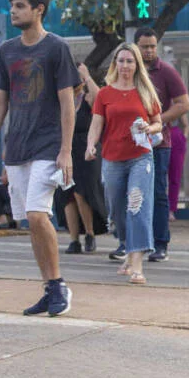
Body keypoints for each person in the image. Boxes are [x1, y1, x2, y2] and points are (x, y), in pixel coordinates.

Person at [0, 0, 80, 317]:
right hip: (17, 147)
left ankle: (59, 287)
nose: (13, 11)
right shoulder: (6, 50)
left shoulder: (56, 48)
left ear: (39, 9)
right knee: (29, 222)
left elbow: (68, 103)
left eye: (20, 6)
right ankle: (49, 287)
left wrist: (66, 150)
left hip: (48, 146)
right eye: (12, 6)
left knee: (39, 213)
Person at [86, 44, 163, 284]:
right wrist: (91, 145)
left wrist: (150, 128)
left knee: (137, 205)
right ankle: (128, 250)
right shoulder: (105, 94)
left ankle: (138, 264)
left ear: (137, 65)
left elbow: (158, 122)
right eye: (121, 61)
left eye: (130, 61)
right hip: (112, 158)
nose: (125, 66)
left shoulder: (145, 92)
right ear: (115, 64)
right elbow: (97, 124)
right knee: (117, 210)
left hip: (140, 156)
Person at [134, 27, 189, 264]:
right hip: (129, 144)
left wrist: (158, 121)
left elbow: (183, 104)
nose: (148, 51)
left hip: (158, 143)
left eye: (152, 46)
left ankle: (160, 243)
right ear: (135, 45)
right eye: (144, 46)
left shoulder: (166, 71)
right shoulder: (127, 69)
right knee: (132, 194)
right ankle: (131, 243)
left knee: (158, 193)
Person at [61, 63, 108, 254]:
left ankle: (89, 233)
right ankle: (74, 239)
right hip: (66, 149)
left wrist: (87, 76)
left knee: (83, 192)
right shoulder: (64, 98)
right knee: (67, 195)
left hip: (86, 149)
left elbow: (100, 98)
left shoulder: (88, 97)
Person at [167, 113, 188, 221]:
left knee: (175, 175)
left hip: (174, 136)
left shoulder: (177, 101)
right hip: (156, 134)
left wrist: (184, 137)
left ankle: (171, 209)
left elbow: (185, 124)